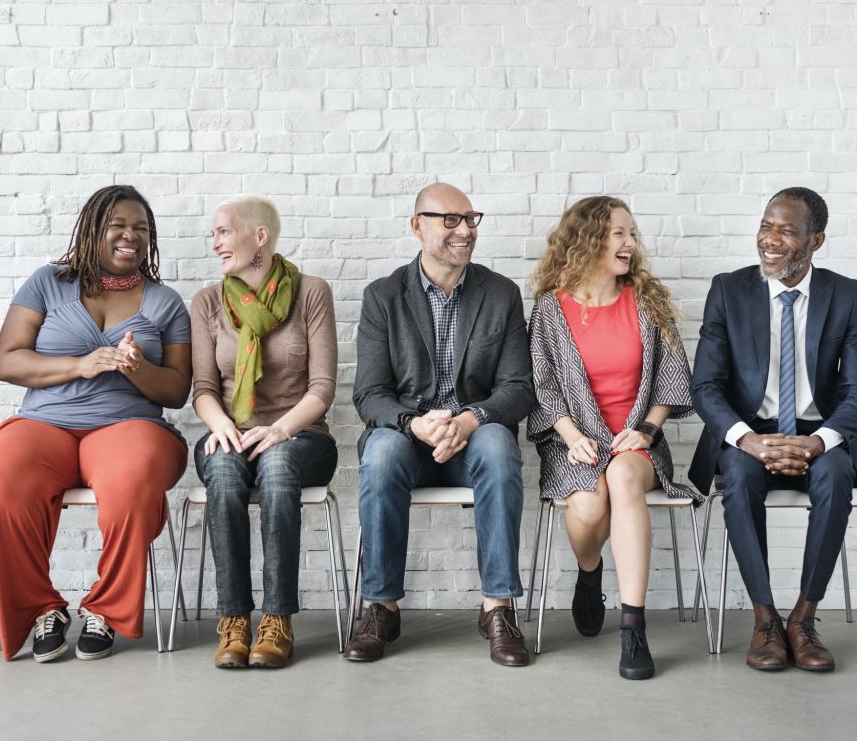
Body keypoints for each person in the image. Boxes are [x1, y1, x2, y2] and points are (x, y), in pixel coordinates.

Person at [0, 185, 191, 662]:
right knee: (2, 479)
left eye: (140, 228)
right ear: (93, 229)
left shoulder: (166, 302)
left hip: (128, 424)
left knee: (133, 480)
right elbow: (8, 362)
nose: (130, 236)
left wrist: (138, 369)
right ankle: (40, 610)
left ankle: (106, 610)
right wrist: (80, 364)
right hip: (44, 423)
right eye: (118, 225)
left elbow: (177, 390)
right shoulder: (46, 283)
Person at [346, 182, 534, 667]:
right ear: (417, 226)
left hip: (474, 438)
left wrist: (471, 418)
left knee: (497, 446)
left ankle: (497, 608)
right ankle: (382, 607)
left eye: (470, 219)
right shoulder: (383, 297)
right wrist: (414, 424)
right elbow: (369, 394)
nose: (464, 230)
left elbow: (518, 387)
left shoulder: (501, 294)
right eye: (449, 219)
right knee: (381, 451)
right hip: (411, 439)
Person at [526, 196, 696, 680]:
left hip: (635, 443)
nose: (630, 242)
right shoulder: (549, 311)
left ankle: (632, 628)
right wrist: (571, 434)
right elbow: (542, 384)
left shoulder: (646, 302)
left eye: (632, 234)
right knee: (588, 506)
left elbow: (672, 379)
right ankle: (588, 572)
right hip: (572, 440)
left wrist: (644, 429)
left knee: (621, 477)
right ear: (588, 239)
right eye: (618, 232)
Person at [689, 187, 857, 673]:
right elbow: (705, 385)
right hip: (750, 431)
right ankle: (765, 618)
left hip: (818, 433)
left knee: (835, 474)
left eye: (786, 230)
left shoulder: (846, 296)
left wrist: (818, 441)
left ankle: (803, 618)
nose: (770, 239)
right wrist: (747, 439)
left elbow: (854, 390)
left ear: (816, 240)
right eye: (766, 226)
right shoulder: (729, 289)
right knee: (738, 478)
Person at [191, 194, 338, 669]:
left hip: (302, 434)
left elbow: (322, 388)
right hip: (230, 431)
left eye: (222, 232)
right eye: (212, 234)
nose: (214, 243)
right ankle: (234, 621)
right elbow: (204, 389)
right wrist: (223, 429)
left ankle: (277, 619)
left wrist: (278, 429)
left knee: (276, 466)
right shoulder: (208, 302)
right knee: (227, 474)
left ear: (259, 236)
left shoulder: (311, 292)